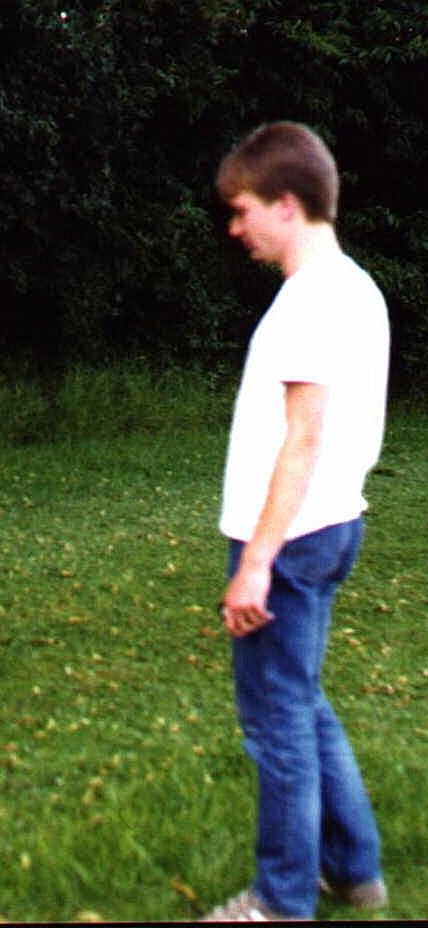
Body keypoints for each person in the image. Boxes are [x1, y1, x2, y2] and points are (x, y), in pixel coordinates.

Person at [203, 122, 389, 921]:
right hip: (332, 525)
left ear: (287, 203)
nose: (235, 227)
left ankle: (281, 901)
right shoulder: (356, 288)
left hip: (292, 535)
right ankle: (355, 871)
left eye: (243, 209)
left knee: (276, 722)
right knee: (302, 701)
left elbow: (304, 440)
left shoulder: (312, 301)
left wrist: (257, 564)